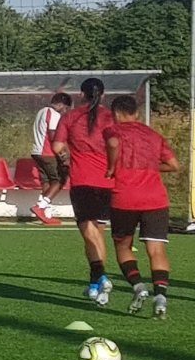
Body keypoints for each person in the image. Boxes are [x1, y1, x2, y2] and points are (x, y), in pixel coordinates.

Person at [101, 94, 181, 319]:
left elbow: (113, 144)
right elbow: (174, 165)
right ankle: (161, 296)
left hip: (125, 197)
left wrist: (111, 167)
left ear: (116, 114)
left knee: (123, 245)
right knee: (157, 250)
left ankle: (138, 286)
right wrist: (151, 168)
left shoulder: (113, 130)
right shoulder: (154, 135)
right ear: (136, 113)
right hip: (156, 199)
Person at [52, 77, 115, 306]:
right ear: (103, 96)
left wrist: (65, 160)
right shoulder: (111, 118)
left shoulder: (70, 117)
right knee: (98, 234)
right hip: (108, 182)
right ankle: (96, 287)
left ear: (81, 95)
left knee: (89, 233)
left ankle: (101, 276)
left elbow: (57, 146)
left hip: (83, 182)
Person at [31, 91, 72, 225]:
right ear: (60, 105)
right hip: (48, 152)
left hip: (37, 151)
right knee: (60, 179)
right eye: (65, 108)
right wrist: (63, 155)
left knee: (47, 182)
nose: (64, 111)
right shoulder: (54, 114)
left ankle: (46, 215)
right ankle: (40, 206)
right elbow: (54, 135)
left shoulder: (41, 112)